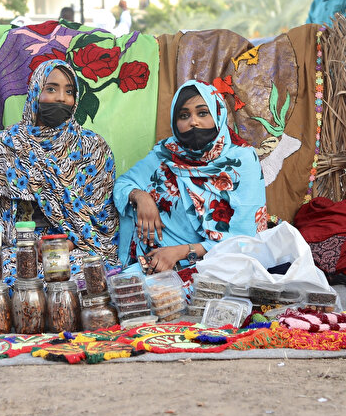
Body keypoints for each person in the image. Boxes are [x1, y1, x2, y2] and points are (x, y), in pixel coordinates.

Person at [0, 59, 119, 285]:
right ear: (35, 92)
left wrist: (63, 244)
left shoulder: (93, 148)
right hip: (21, 248)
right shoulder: (8, 145)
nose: (61, 98)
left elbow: (101, 219)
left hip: (77, 246)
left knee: (87, 282)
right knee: (16, 284)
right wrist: (29, 245)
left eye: (69, 91)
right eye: (51, 89)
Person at [114, 80, 268, 275]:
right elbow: (123, 184)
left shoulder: (242, 161)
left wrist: (181, 252)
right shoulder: (165, 154)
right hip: (157, 266)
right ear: (175, 122)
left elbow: (246, 240)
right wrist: (140, 197)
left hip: (223, 267)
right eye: (184, 115)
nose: (193, 122)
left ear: (217, 114)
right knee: (127, 292)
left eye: (202, 113)